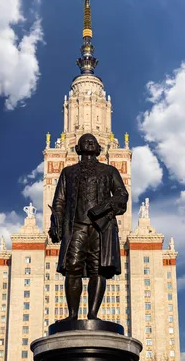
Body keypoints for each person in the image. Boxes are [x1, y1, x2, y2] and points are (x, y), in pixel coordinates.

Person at [49, 133, 128, 321]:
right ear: (78, 148)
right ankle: (72, 315)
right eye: (85, 141)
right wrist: (57, 224)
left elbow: (121, 195)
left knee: (98, 269)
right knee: (72, 267)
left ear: (99, 149)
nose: (90, 143)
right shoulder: (68, 172)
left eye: (93, 142)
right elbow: (59, 200)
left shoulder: (109, 171)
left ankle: (93, 314)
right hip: (76, 226)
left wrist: (103, 208)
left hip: (101, 227)